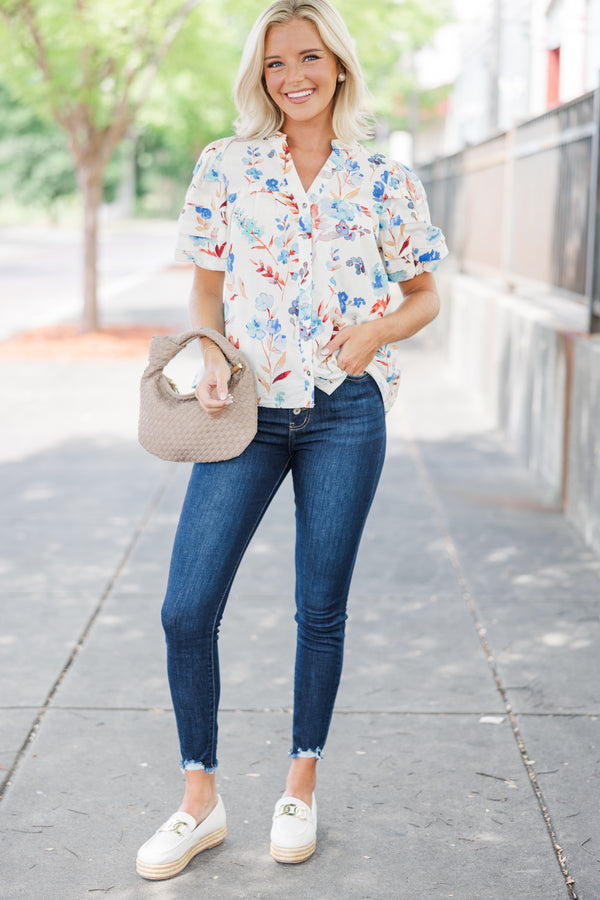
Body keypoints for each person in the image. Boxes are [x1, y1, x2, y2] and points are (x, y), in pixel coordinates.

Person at [136, 0, 448, 881]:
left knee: (321, 607)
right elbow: (207, 289)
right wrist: (209, 352)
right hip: (247, 412)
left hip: (347, 412)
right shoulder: (226, 166)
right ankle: (200, 800)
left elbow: (424, 294)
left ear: (339, 67)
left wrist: (377, 336)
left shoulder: (383, 178)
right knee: (186, 608)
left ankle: (299, 785)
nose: (294, 77)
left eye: (310, 58)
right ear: (261, 76)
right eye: (276, 64)